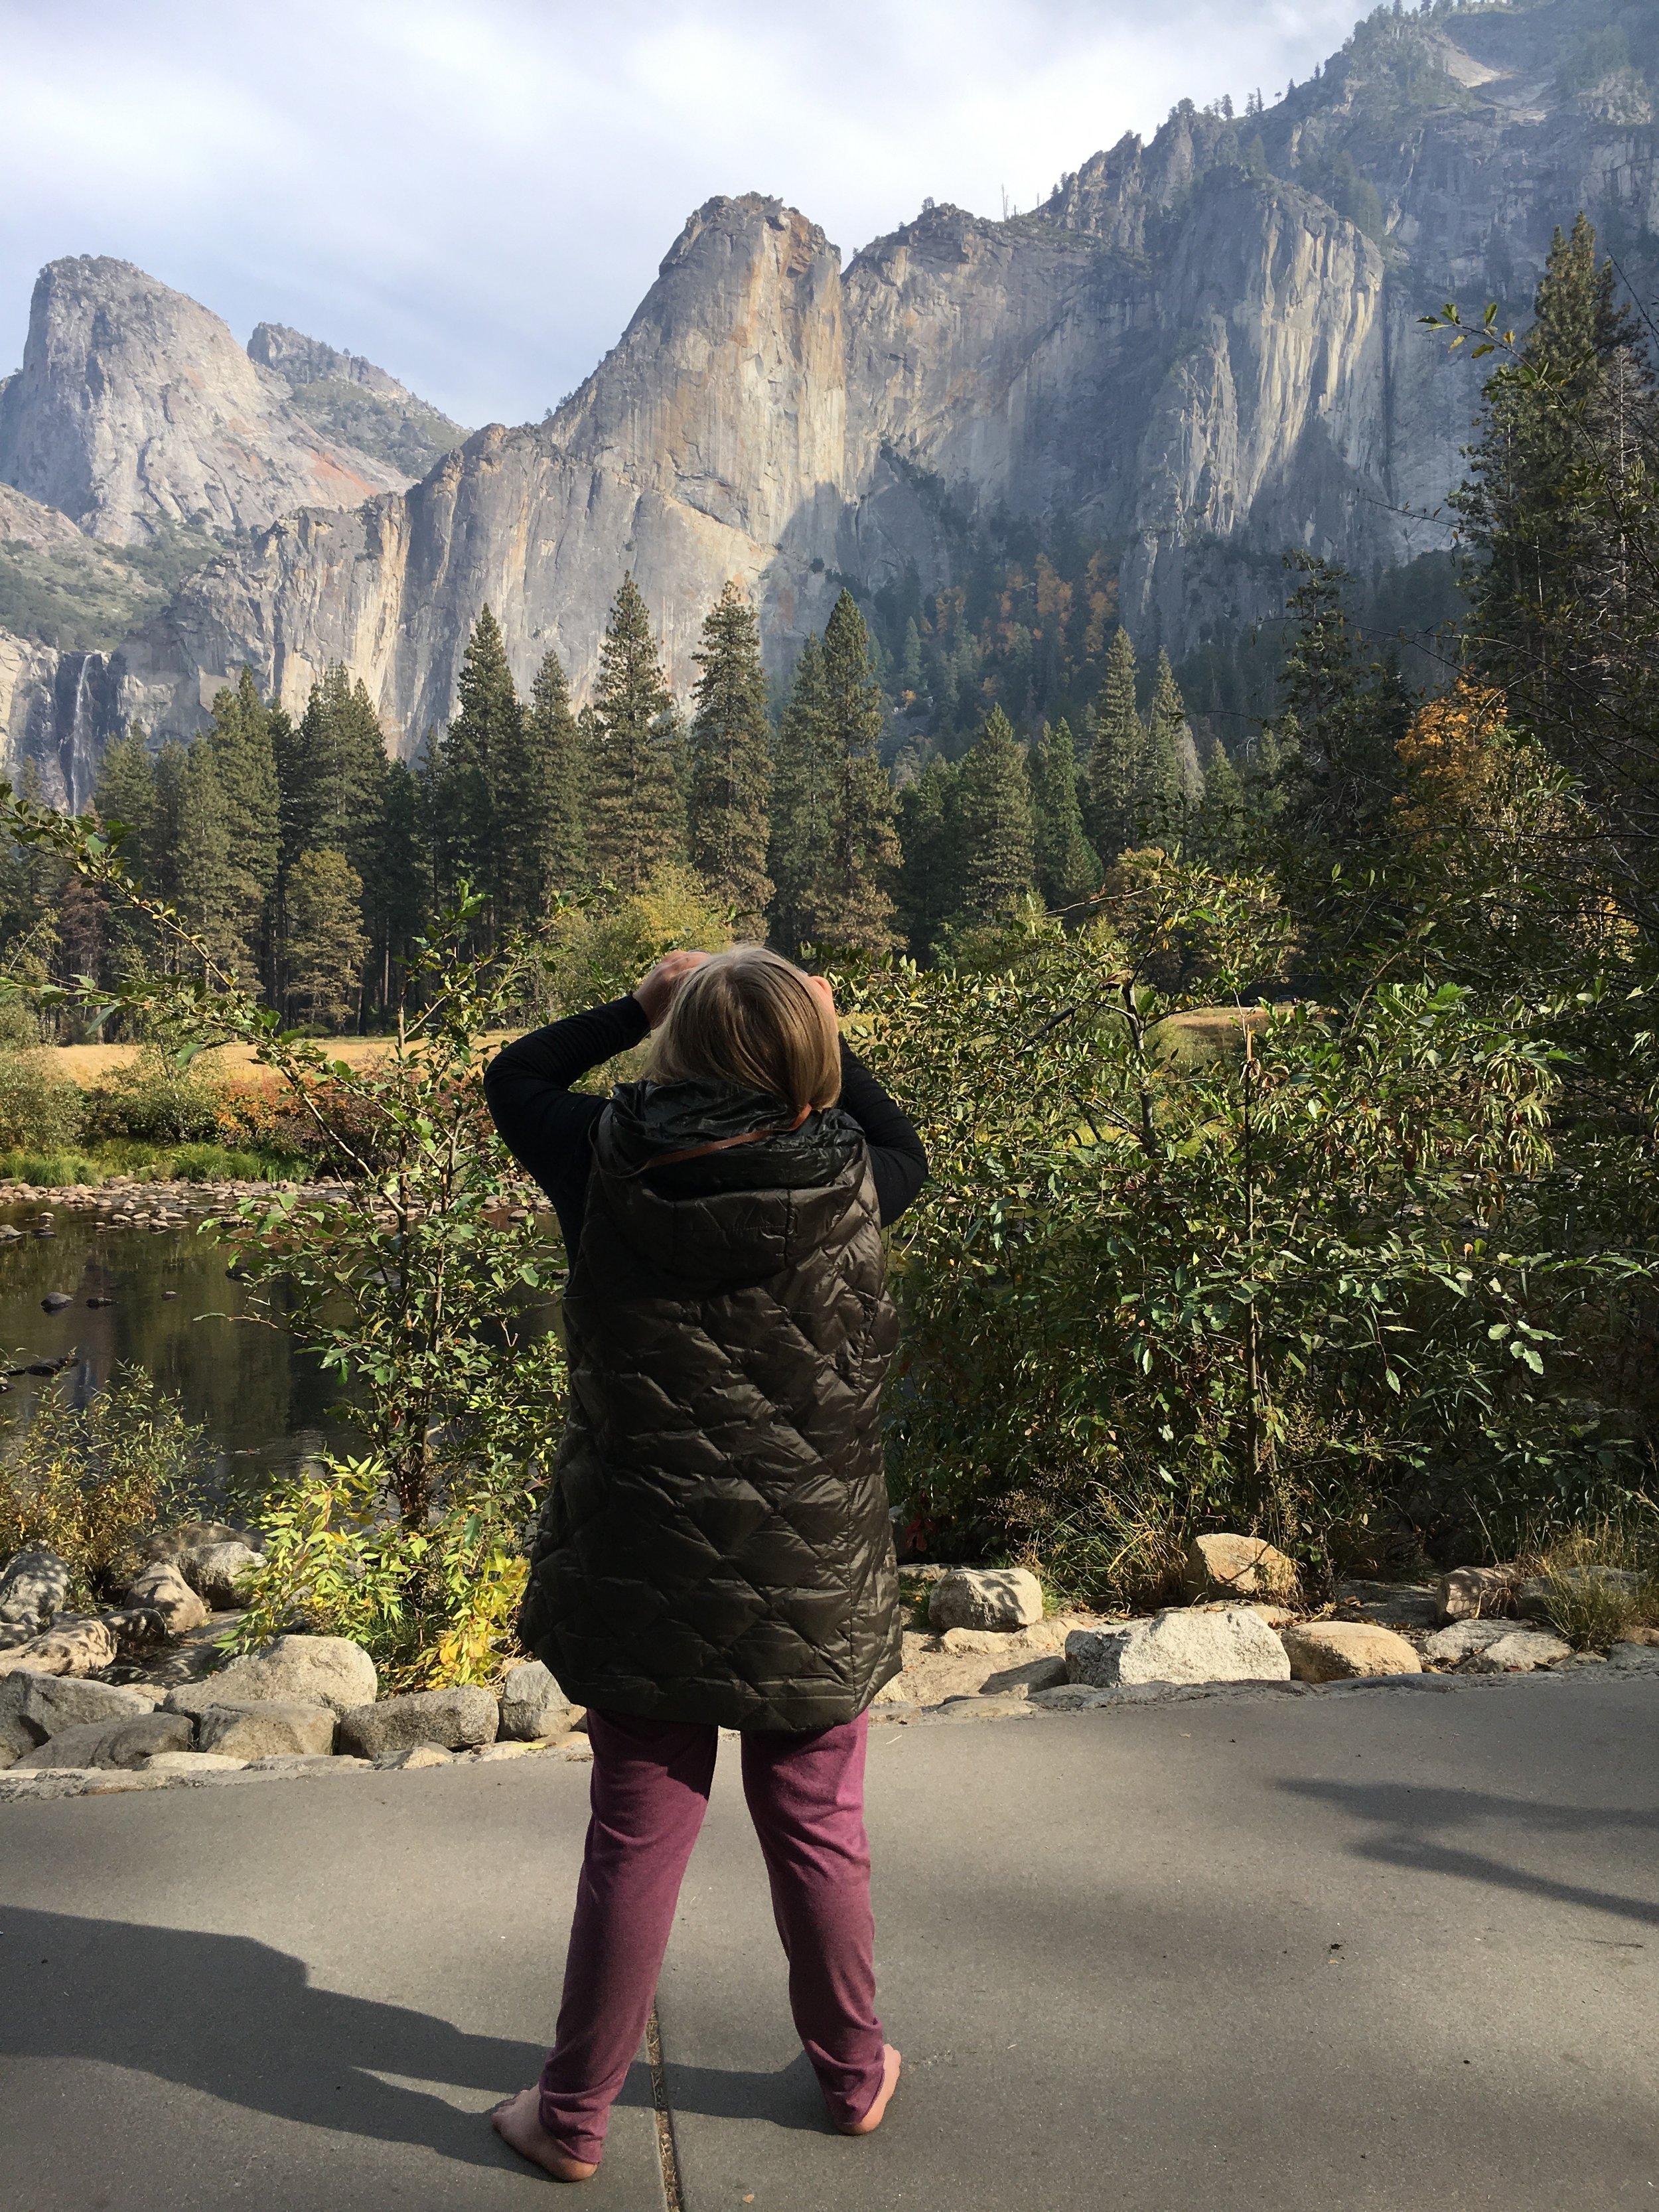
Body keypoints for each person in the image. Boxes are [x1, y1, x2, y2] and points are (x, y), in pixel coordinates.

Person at [482, 944, 928, 2181]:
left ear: (672, 1045)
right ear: (813, 1066)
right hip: (813, 1574)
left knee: (635, 1835)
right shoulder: (860, 1176)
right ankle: (852, 2076)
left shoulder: (597, 1158)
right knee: (819, 1824)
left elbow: (514, 1076)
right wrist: (825, 1029)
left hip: (641, 1559)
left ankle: (572, 2116)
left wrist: (637, 1002)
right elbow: (908, 1144)